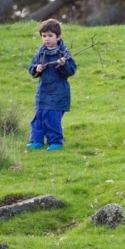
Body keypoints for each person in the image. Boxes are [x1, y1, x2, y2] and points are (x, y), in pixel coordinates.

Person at [27, 18, 76, 151]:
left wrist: (63, 64)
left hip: (58, 92)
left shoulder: (63, 53)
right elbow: (31, 67)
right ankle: (36, 140)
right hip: (42, 92)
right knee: (39, 117)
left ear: (58, 36)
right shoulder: (40, 53)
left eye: (50, 36)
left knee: (52, 118)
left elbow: (72, 70)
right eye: (44, 36)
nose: (47, 39)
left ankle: (56, 142)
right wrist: (36, 69)